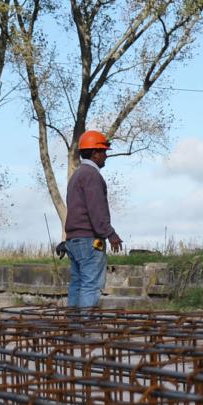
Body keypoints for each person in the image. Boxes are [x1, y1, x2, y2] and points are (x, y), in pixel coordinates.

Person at [64, 130, 123, 308]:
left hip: (73, 240)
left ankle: (73, 327)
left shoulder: (76, 175)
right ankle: (85, 329)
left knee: (77, 284)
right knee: (91, 285)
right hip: (90, 240)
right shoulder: (92, 175)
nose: (106, 156)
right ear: (95, 153)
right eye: (104, 152)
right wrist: (110, 233)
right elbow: (96, 210)